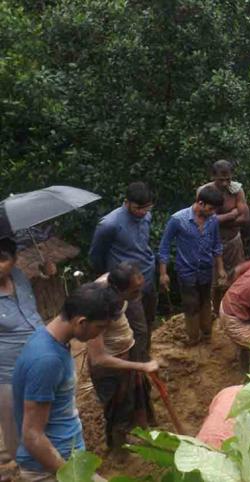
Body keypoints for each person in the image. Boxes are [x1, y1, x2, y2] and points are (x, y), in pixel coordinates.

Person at [13, 283, 122, 482]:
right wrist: (72, 476)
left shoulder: (49, 340)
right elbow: (32, 435)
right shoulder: (47, 360)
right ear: (81, 322)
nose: (100, 334)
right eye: (100, 327)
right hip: (50, 470)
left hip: (66, 461)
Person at [88, 263, 159, 450]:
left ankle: (145, 434)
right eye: (135, 292)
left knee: (139, 396)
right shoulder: (97, 306)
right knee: (119, 410)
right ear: (119, 291)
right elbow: (98, 358)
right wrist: (141, 366)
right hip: (111, 367)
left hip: (128, 351)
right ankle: (119, 453)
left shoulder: (113, 282)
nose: (139, 295)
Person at [89, 182, 158, 356]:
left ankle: (144, 356)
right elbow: (96, 256)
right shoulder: (109, 225)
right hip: (127, 285)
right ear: (127, 202)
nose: (143, 212)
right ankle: (137, 368)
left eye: (147, 208)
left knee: (149, 321)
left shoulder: (147, 217)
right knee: (138, 329)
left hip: (147, 277)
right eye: (138, 208)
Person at [158, 186, 227, 345]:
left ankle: (207, 334)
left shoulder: (213, 220)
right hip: (186, 270)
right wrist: (163, 273)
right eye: (210, 208)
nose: (212, 212)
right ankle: (193, 337)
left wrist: (221, 268)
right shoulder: (178, 219)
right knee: (190, 304)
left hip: (206, 270)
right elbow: (164, 246)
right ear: (200, 203)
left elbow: (217, 245)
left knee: (205, 300)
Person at [0, 239, 45, 469]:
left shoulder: (18, 276)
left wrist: (47, 270)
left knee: (46, 414)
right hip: (8, 370)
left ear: (14, 260)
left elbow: (43, 274)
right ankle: (24, 467)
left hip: (41, 360)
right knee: (13, 423)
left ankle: (50, 460)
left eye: (2, 259)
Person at [198, 160, 250, 316]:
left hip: (233, 241)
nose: (225, 182)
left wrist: (220, 219)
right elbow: (204, 219)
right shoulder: (204, 192)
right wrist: (231, 214)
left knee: (236, 277)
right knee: (213, 281)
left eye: (228, 179)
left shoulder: (237, 191)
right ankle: (215, 312)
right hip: (211, 243)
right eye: (221, 179)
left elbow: (245, 217)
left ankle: (233, 310)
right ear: (213, 176)